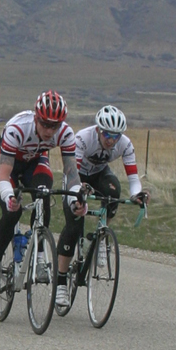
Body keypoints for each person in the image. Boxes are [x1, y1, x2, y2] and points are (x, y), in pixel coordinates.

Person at [0, 90, 80, 294]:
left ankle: (39, 256)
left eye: (54, 125)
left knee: (43, 196)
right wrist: (10, 197)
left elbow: (71, 172)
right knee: (12, 213)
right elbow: (4, 175)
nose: (49, 130)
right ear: (36, 118)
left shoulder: (65, 133)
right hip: (7, 165)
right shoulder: (17, 129)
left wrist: (77, 198)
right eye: (45, 124)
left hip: (35, 162)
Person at [53, 103, 144, 313]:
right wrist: (78, 192)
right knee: (74, 225)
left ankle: (102, 238)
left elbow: (133, 178)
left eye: (116, 136)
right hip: (76, 175)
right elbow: (71, 170)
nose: (111, 140)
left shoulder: (125, 145)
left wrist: (136, 195)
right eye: (107, 135)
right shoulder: (83, 139)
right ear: (98, 130)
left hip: (100, 174)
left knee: (113, 192)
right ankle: (60, 282)